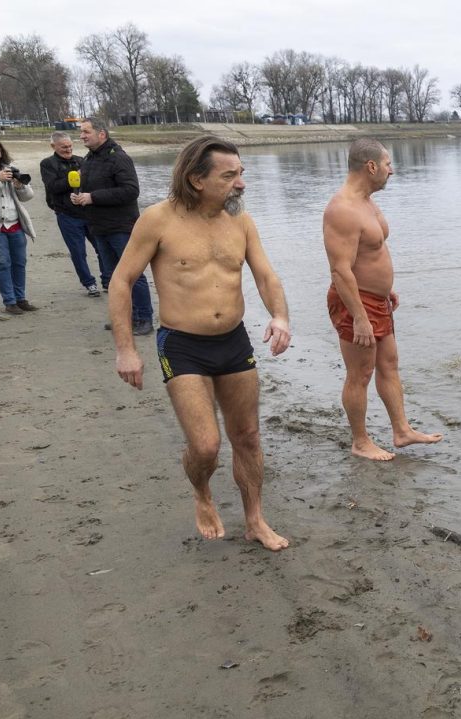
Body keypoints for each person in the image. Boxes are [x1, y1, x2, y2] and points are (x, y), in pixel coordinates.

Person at [109, 136, 292, 551]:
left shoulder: (241, 221)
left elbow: (266, 275)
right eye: (229, 176)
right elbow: (122, 281)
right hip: (182, 344)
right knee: (206, 446)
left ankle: (255, 520)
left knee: (246, 435)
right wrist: (126, 349)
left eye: (241, 173)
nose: (241, 184)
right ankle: (202, 492)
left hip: (233, 339)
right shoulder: (158, 220)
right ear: (196, 179)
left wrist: (280, 316)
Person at [323, 138, 442, 461]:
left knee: (389, 364)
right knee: (360, 374)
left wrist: (384, 289)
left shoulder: (367, 201)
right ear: (371, 166)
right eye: (388, 164)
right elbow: (340, 270)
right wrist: (359, 316)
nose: (392, 170)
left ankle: (401, 431)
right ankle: (360, 442)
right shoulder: (342, 209)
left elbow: (370, 252)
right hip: (355, 303)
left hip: (377, 300)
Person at [71, 118, 155, 335]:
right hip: (99, 227)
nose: (82, 136)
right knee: (113, 277)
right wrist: (80, 197)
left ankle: (144, 319)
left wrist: (93, 197)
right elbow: (92, 189)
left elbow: (131, 191)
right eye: (81, 132)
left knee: (133, 274)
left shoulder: (118, 157)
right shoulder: (89, 159)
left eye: (86, 132)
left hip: (122, 227)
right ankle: (126, 317)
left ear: (102, 134)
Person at [40, 131, 106, 296]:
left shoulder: (81, 160)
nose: (68, 149)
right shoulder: (48, 164)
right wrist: (73, 179)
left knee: (102, 248)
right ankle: (89, 283)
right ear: (53, 146)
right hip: (67, 215)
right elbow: (53, 187)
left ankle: (108, 279)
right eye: (64, 147)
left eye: (70, 146)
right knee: (78, 252)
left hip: (88, 213)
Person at [0, 136, 36, 315]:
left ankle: (21, 298)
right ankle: (10, 301)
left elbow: (27, 197)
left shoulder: (10, 169)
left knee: (19, 262)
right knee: (2, 263)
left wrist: (20, 185)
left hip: (15, 224)